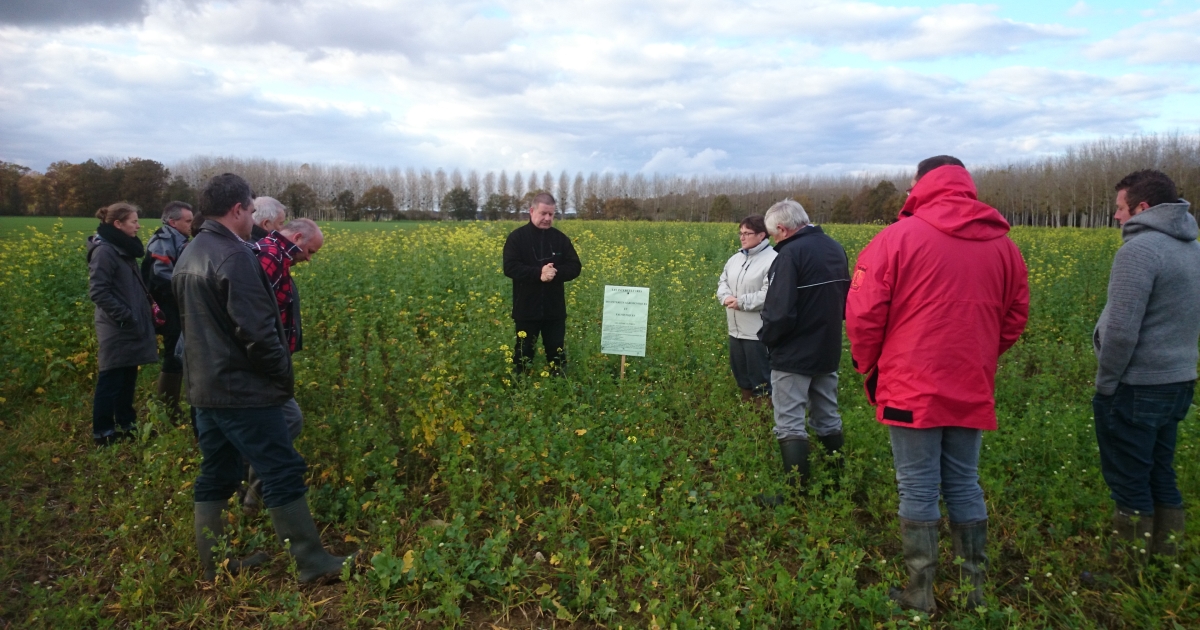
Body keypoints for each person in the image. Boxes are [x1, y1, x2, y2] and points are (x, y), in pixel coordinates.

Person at [845, 156, 1029, 613]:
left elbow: (864, 315)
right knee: (965, 482)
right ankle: (974, 592)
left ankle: (920, 592)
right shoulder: (1004, 245)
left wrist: (869, 366)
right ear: (966, 185)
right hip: (970, 380)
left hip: (910, 383)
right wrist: (980, 358)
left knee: (918, 485)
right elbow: (1014, 317)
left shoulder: (896, 238)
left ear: (920, 184)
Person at [175, 173, 353, 583]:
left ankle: (214, 564)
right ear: (237, 209)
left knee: (217, 471)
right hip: (243, 387)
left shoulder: (193, 251)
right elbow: (256, 331)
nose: (254, 219)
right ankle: (312, 563)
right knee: (281, 469)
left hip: (204, 385)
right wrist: (280, 377)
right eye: (251, 210)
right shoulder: (235, 257)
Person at [1093, 169, 1200, 558]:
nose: (1117, 216)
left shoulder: (1138, 251)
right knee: (1161, 471)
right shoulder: (1191, 247)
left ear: (1142, 207)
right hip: (1179, 381)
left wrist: (1107, 385)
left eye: (1120, 208)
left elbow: (1121, 332)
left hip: (1137, 386)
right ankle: (1165, 561)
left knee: (1129, 480)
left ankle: (1127, 569)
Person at [757, 199, 850, 502]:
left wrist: (767, 339)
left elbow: (779, 312)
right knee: (827, 416)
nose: (773, 241)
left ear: (782, 229)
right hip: (828, 348)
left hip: (793, 354)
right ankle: (837, 486)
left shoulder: (789, 255)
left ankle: (794, 494)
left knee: (789, 421)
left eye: (773, 235)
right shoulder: (834, 247)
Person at [242, 218, 324, 512]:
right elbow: (253, 319)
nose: (309, 259)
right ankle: (260, 491)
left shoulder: (275, 253)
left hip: (266, 359)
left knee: (276, 423)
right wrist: (274, 363)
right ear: (298, 237)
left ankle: (254, 489)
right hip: (261, 363)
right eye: (310, 251)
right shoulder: (270, 257)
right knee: (288, 421)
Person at [87, 202, 159, 446]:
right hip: (116, 327)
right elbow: (98, 292)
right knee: (111, 380)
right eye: (134, 221)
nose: (138, 226)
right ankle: (103, 432)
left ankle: (127, 425)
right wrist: (126, 314)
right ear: (118, 224)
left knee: (127, 377)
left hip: (128, 324)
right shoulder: (105, 251)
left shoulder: (121, 248)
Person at [502, 192, 582, 375]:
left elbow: (575, 266)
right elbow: (510, 267)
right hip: (526, 308)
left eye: (551, 215)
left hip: (554, 311)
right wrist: (539, 274)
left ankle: (559, 390)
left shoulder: (560, 239)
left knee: (557, 353)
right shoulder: (517, 238)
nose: (547, 218)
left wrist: (555, 273)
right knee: (523, 354)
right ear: (532, 211)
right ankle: (520, 391)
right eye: (543, 213)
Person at [717, 215, 777, 403]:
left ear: (762, 235)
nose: (742, 237)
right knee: (741, 373)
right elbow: (723, 281)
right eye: (740, 233)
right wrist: (725, 297)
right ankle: (747, 412)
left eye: (747, 233)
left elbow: (771, 294)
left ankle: (762, 419)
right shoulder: (735, 259)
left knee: (761, 377)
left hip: (757, 331)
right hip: (735, 329)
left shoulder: (774, 259)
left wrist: (741, 302)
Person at [143, 201, 193, 419]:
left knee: (179, 350)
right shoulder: (163, 240)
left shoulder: (177, 238)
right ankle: (168, 407)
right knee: (174, 351)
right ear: (173, 221)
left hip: (175, 303)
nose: (191, 225)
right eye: (188, 221)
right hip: (167, 305)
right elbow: (161, 275)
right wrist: (189, 288)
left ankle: (171, 404)